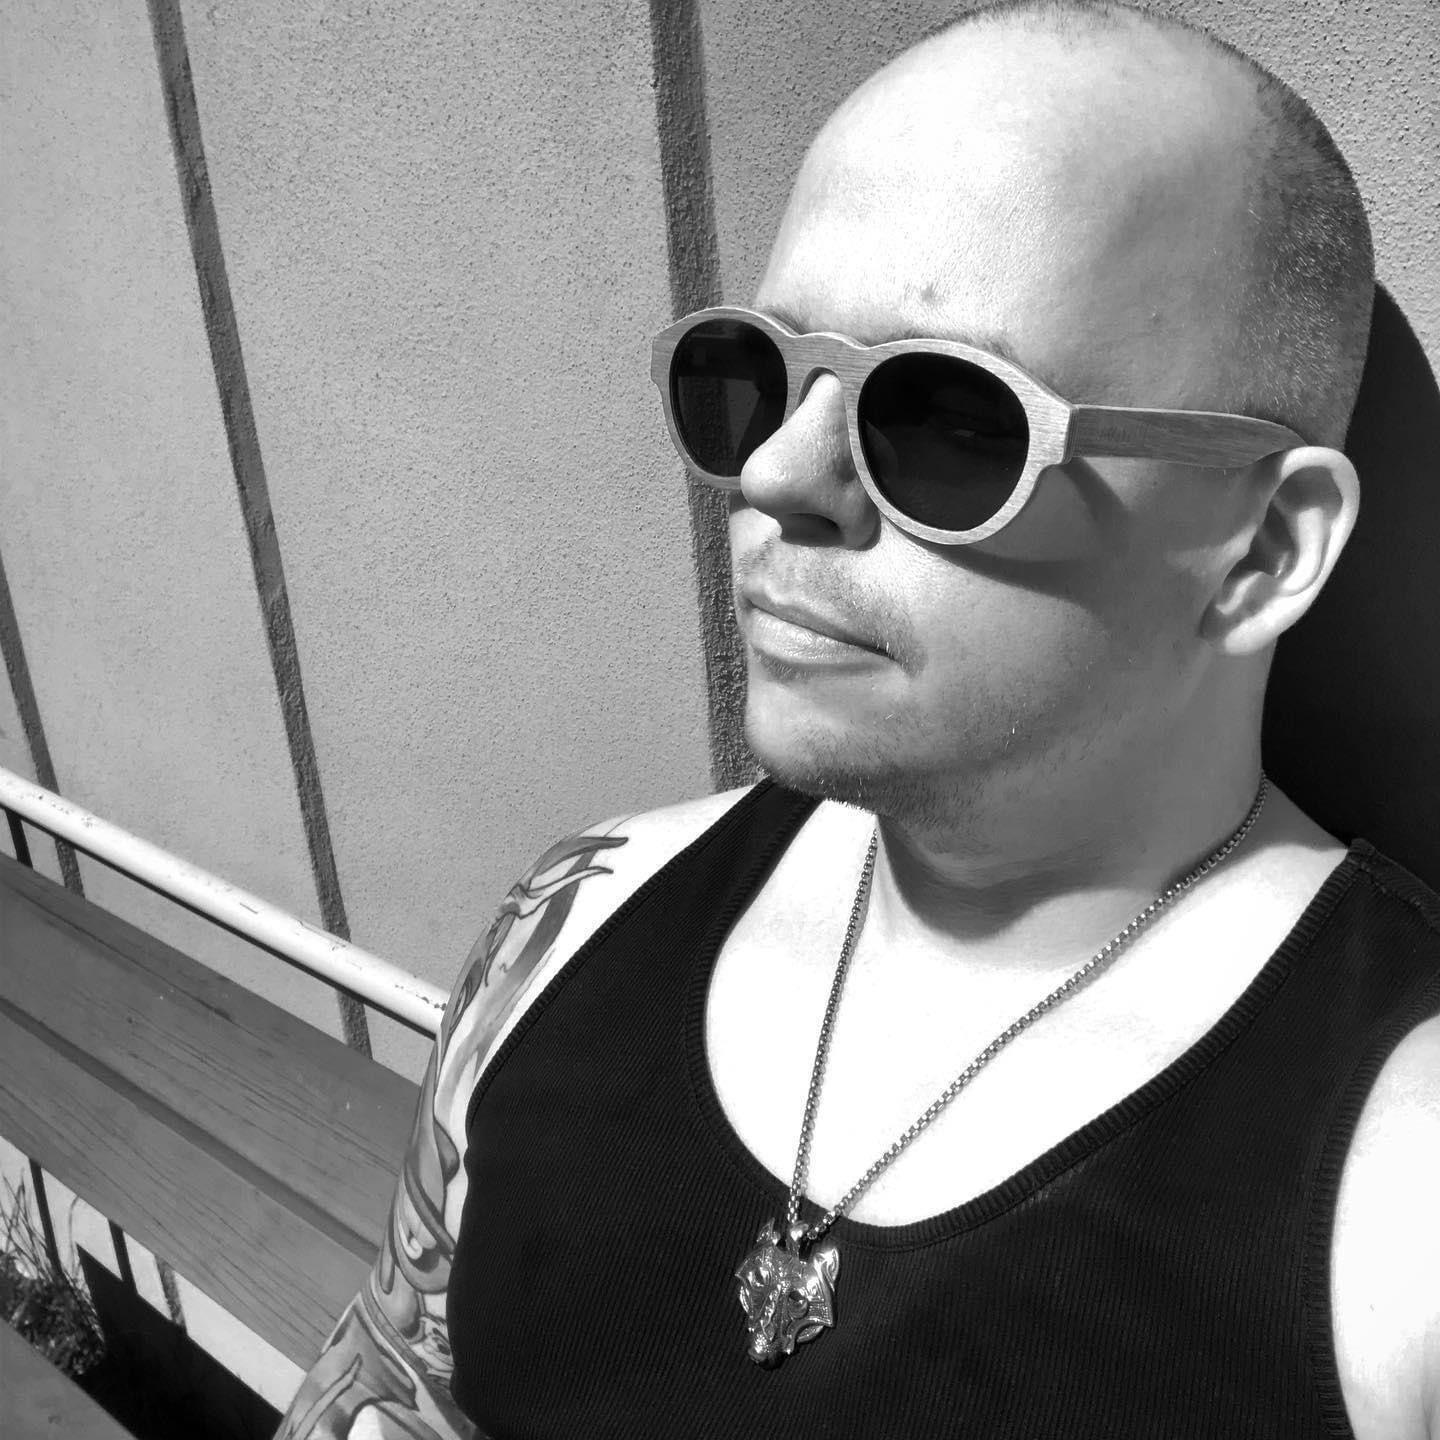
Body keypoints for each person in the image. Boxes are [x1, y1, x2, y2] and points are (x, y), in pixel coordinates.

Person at [277, 2, 1440, 1436]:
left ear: (1259, 550)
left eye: (947, 418)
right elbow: (398, 1383)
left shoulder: (1404, 1214)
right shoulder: (577, 919)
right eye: (756, 376)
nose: (773, 475)